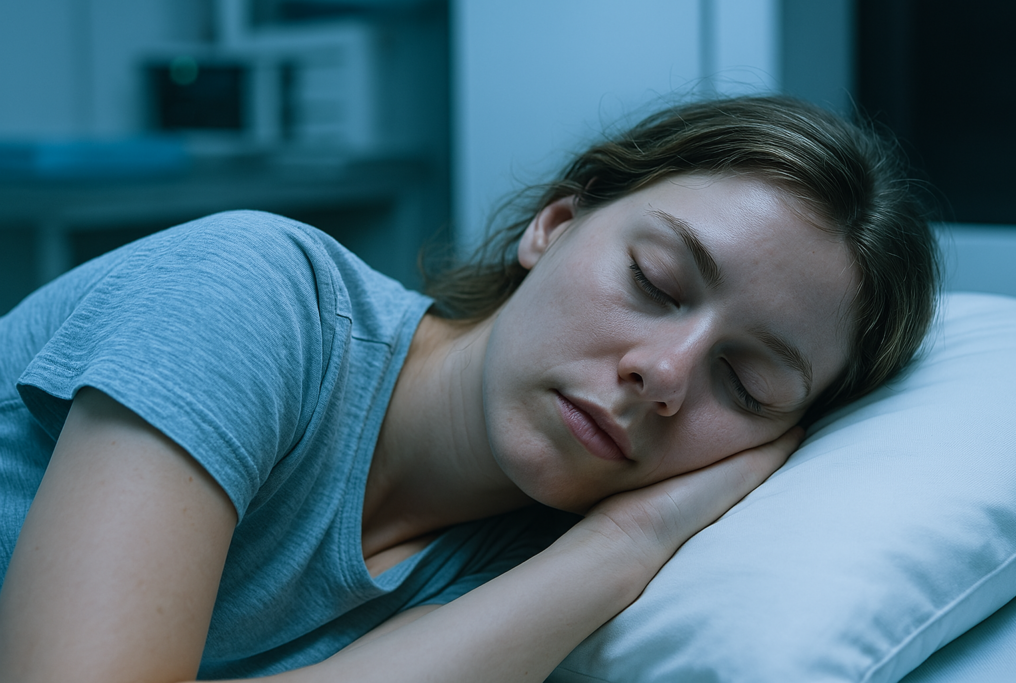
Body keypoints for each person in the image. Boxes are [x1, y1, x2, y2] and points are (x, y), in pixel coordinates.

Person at [0, 95, 938, 682]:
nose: (661, 373)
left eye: (745, 382)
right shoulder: (252, 292)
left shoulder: (529, 574)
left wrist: (622, 547)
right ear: (555, 225)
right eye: (653, 282)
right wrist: (612, 551)